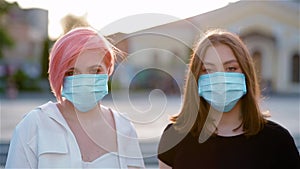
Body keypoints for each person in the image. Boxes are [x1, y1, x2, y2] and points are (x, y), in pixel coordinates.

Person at [157, 29, 300, 169]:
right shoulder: (175, 136)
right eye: (208, 70)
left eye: (231, 68)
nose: (220, 78)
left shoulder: (277, 140)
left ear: (246, 73)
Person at [5, 27, 145, 168]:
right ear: (58, 75)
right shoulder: (33, 126)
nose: (84, 80)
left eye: (95, 70)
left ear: (108, 70)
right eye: (72, 72)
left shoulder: (125, 129)